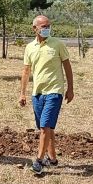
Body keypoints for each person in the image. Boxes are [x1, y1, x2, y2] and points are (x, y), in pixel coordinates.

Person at [19, 15, 74, 174]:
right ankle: (53, 158)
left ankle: (39, 161)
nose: (46, 28)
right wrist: (22, 93)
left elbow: (67, 67)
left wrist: (70, 88)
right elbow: (26, 71)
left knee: (44, 126)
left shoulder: (58, 45)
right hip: (37, 93)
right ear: (34, 28)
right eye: (43, 26)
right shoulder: (30, 47)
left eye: (48, 25)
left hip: (54, 91)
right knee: (46, 128)